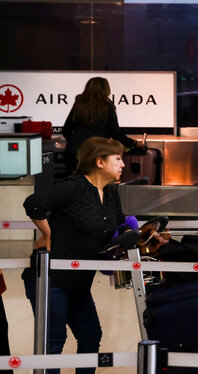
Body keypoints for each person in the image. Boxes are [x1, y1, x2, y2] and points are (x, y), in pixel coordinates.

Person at [23, 137, 128, 374]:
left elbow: (121, 224)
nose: (123, 164)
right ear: (99, 161)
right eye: (118, 159)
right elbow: (34, 203)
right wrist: (49, 234)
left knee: (91, 335)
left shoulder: (111, 193)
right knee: (54, 340)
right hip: (51, 279)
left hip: (79, 280)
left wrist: (143, 233)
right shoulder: (74, 186)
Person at [61, 77, 137, 176]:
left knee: (73, 186)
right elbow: (116, 134)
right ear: (106, 90)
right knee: (93, 186)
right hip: (96, 153)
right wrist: (134, 143)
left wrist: (75, 141)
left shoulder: (79, 104)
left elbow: (66, 129)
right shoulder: (108, 107)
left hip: (74, 152)